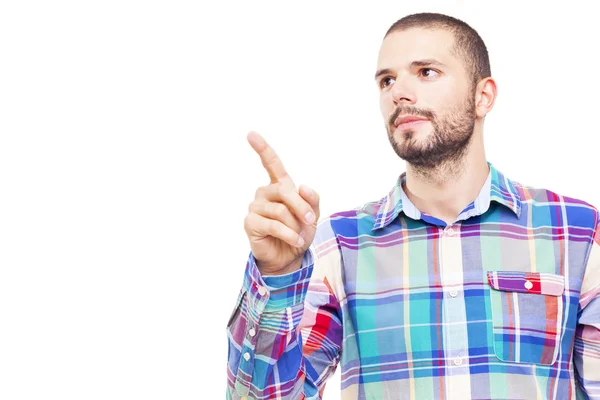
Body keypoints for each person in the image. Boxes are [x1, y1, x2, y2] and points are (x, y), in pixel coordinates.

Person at [225, 12, 600, 400]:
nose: (398, 92)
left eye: (426, 72)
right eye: (387, 80)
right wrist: (277, 276)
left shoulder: (575, 232)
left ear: (482, 96)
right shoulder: (339, 246)